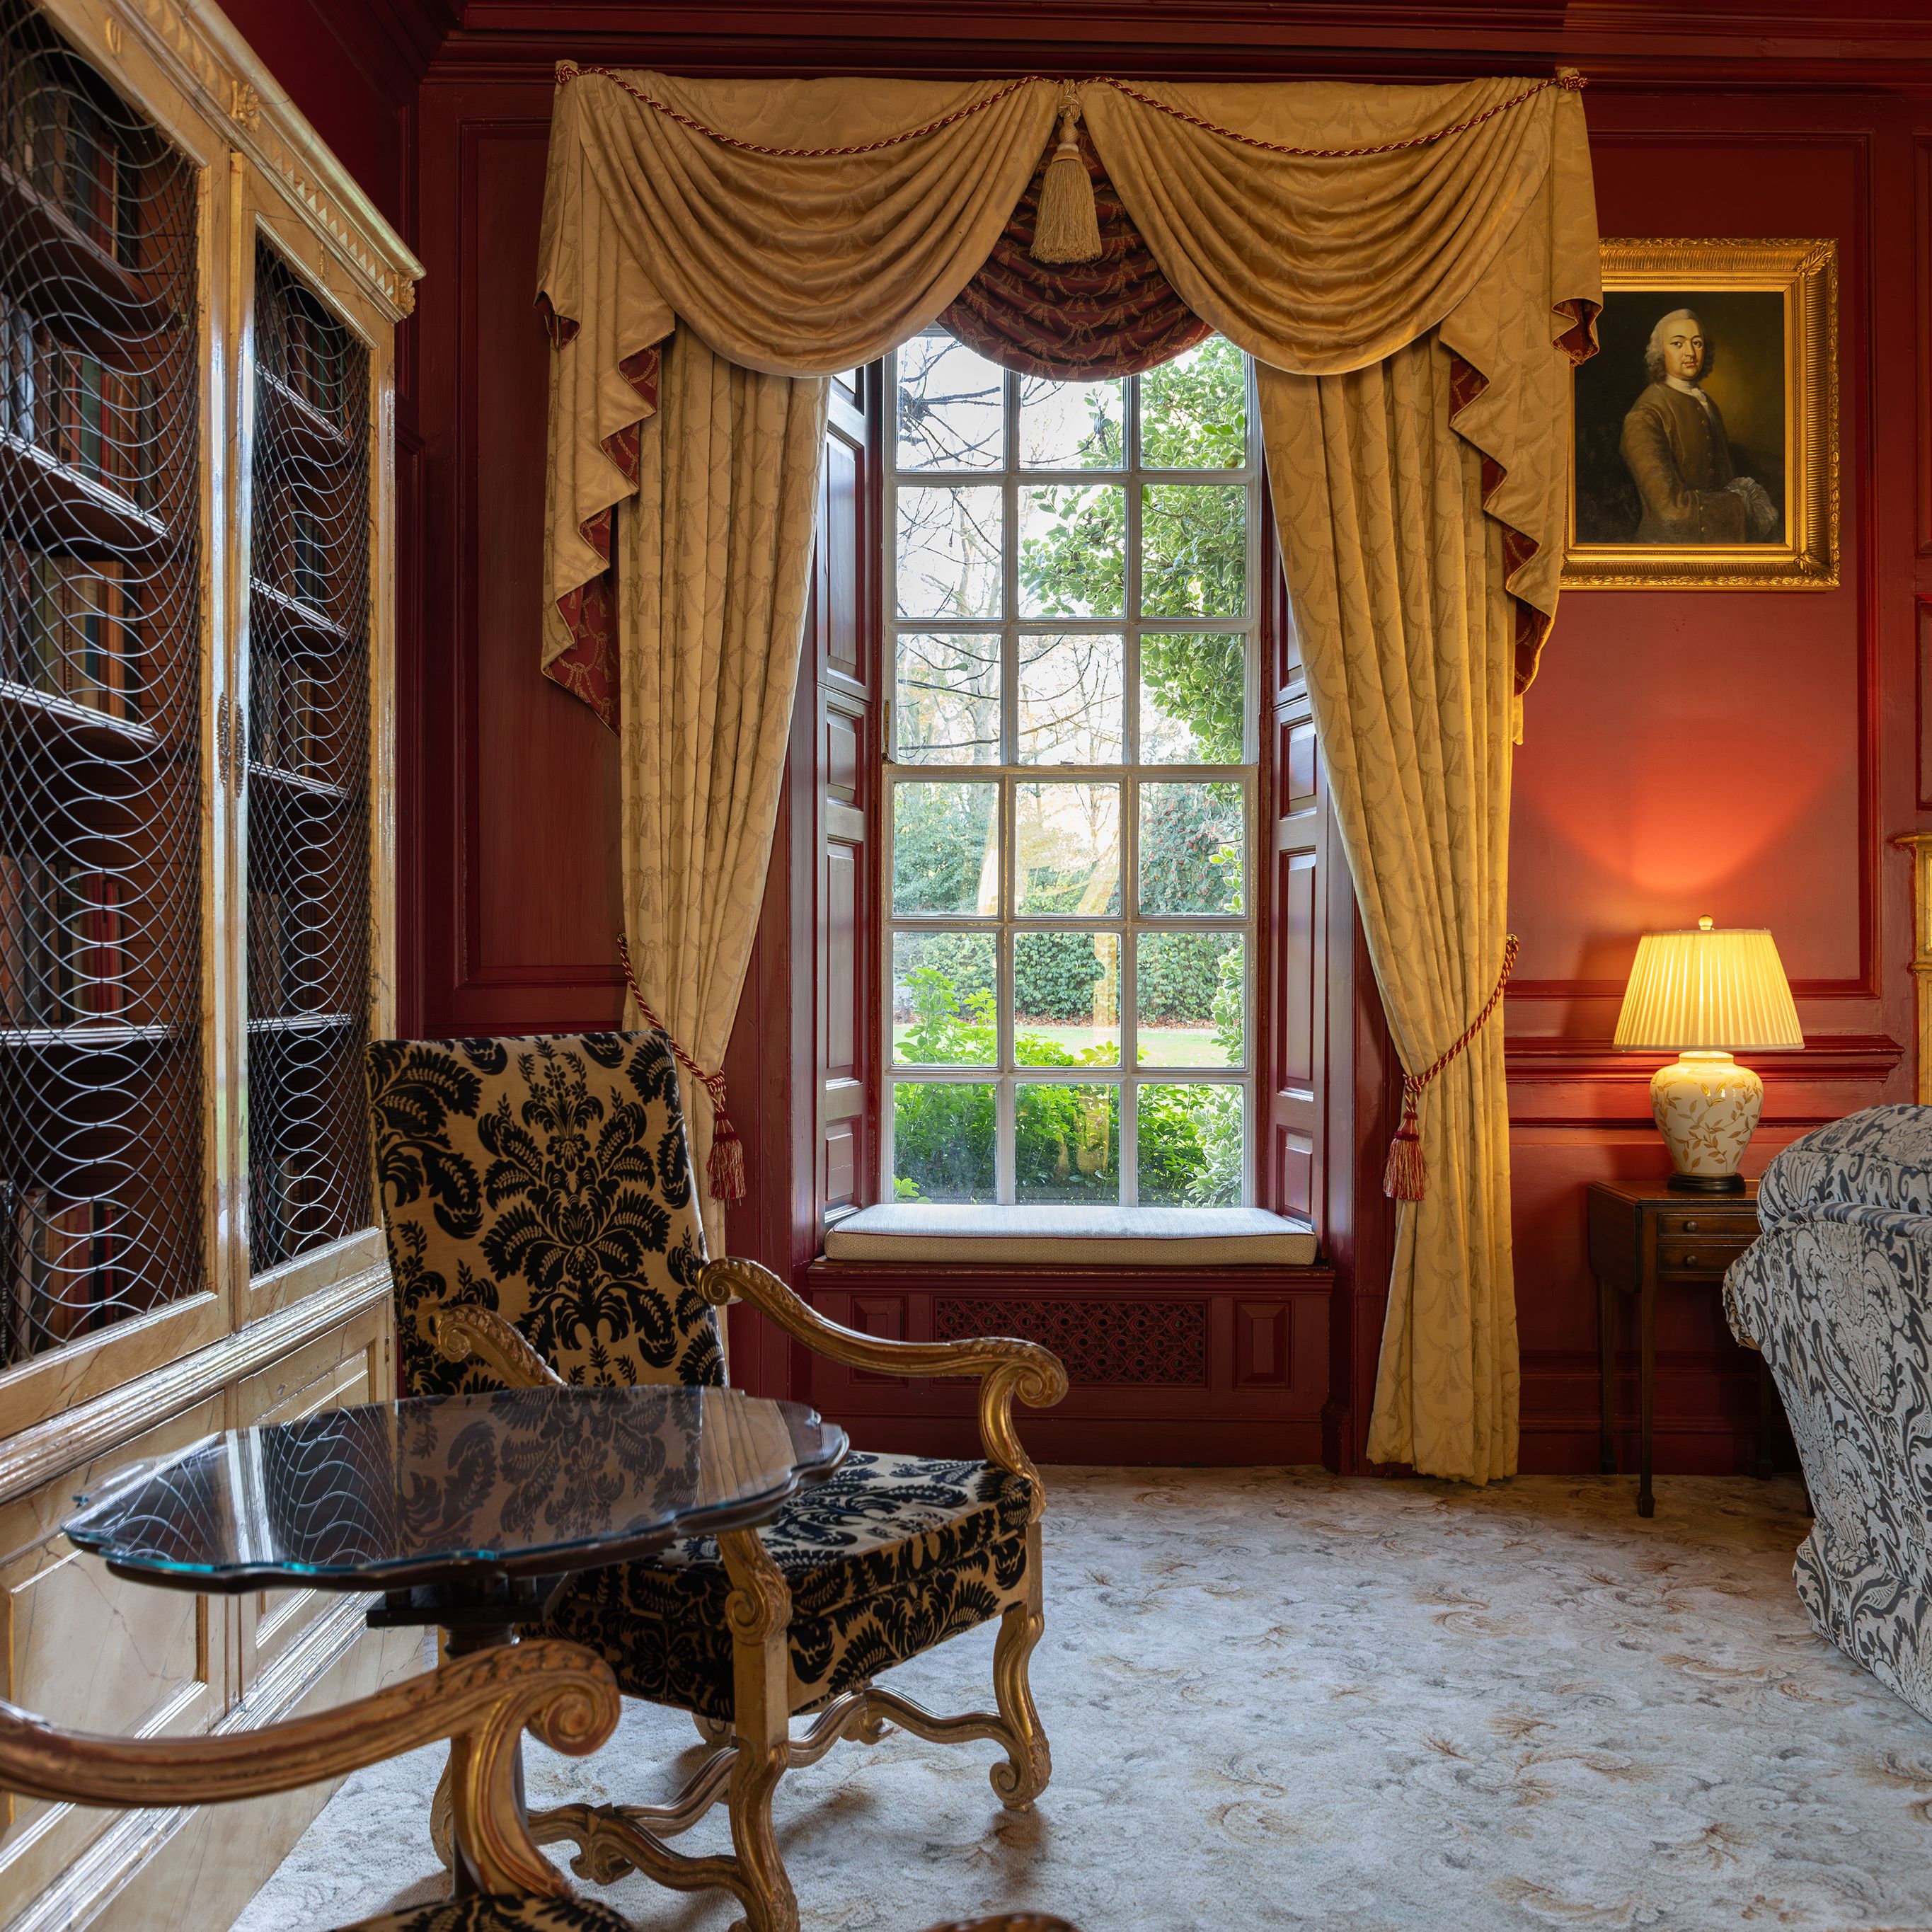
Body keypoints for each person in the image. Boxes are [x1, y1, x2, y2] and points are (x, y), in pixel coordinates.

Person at [1618, 308, 1779, 543]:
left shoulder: (1707, 403)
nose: (1690, 352)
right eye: (1678, 344)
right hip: (1668, 549)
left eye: (1697, 343)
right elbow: (1671, 511)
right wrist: (1743, 504)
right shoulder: (1646, 414)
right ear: (1660, 352)